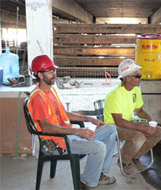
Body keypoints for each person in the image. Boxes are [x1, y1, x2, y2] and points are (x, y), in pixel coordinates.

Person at [28, 55, 117, 189]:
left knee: (110, 130)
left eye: (54, 70)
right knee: (99, 147)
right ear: (40, 75)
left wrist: (89, 119)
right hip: (57, 143)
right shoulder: (38, 98)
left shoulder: (50, 91)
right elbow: (46, 128)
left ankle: (100, 174)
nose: (54, 74)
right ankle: (86, 181)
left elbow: (63, 114)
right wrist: (78, 131)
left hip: (67, 136)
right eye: (50, 71)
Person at [103, 59, 161, 175]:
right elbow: (119, 122)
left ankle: (135, 157)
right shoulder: (115, 94)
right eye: (138, 76)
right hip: (113, 126)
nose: (141, 78)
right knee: (138, 137)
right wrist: (141, 128)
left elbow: (140, 111)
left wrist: (150, 120)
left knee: (159, 132)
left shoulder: (136, 90)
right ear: (128, 78)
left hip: (128, 122)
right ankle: (124, 161)